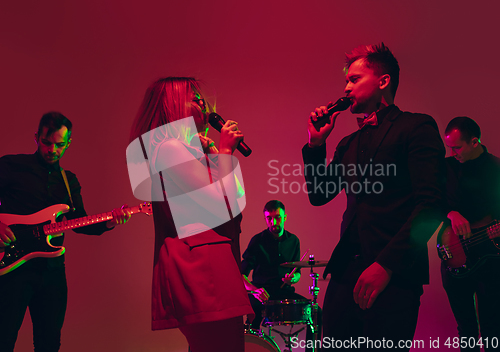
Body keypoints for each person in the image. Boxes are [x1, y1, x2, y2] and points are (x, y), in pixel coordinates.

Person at [302, 43, 444, 349]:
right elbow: (319, 194)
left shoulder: (416, 127)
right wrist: (315, 146)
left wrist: (386, 265)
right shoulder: (348, 142)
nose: (346, 87)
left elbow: (431, 206)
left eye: (354, 79)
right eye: (346, 81)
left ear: (383, 81)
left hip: (394, 273)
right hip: (344, 275)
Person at [128, 77, 253, 352]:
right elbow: (226, 204)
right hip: (201, 269)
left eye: (201, 97)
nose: (202, 103)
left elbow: (237, 201)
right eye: (193, 97)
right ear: (172, 106)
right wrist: (225, 152)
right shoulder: (169, 149)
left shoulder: (187, 152)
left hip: (213, 263)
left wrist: (215, 156)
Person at [0, 111, 130, 352]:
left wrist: (111, 221)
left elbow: (78, 221)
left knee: (49, 343)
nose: (52, 150)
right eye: (47, 143)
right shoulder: (11, 166)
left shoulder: (68, 181)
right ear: (36, 137)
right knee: (3, 338)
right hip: (11, 269)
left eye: (60, 145)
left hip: (51, 273)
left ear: (68, 143)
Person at [440, 117, 500, 352]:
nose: (453, 152)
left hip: (490, 259)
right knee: (465, 331)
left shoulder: (496, 169)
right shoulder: (445, 168)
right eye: (449, 148)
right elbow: (429, 201)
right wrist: (451, 212)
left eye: (457, 147)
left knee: (492, 329)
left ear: (474, 142)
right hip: (453, 255)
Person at [241, 199, 303, 329]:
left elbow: (297, 273)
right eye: (269, 218)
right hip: (262, 293)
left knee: (315, 312)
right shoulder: (257, 241)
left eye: (277, 218)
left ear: (285, 217)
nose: (273, 222)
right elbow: (241, 275)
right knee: (253, 318)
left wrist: (294, 278)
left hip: (284, 292)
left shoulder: (294, 241)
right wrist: (255, 290)